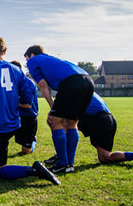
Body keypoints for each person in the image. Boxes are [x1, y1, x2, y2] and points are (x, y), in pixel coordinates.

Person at [0, 36, 60, 185]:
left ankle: (34, 170)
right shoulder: (16, 70)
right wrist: (16, 101)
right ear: (5, 51)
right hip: (14, 122)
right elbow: (29, 90)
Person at [24, 45, 94, 173]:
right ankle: (69, 164)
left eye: (27, 59)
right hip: (88, 81)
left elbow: (43, 85)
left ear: (32, 55)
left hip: (71, 82)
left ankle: (62, 163)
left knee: (55, 122)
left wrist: (52, 107)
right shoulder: (51, 60)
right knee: (72, 123)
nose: (27, 62)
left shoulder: (33, 60)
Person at [44, 93, 133, 167]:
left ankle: (61, 157)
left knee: (61, 124)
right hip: (108, 120)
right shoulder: (83, 86)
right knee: (105, 158)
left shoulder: (71, 89)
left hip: (97, 119)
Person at [10, 61, 38, 155]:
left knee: (25, 152)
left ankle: (33, 142)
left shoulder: (28, 83)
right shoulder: (11, 83)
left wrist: (11, 102)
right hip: (16, 116)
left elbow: (27, 105)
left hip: (28, 117)